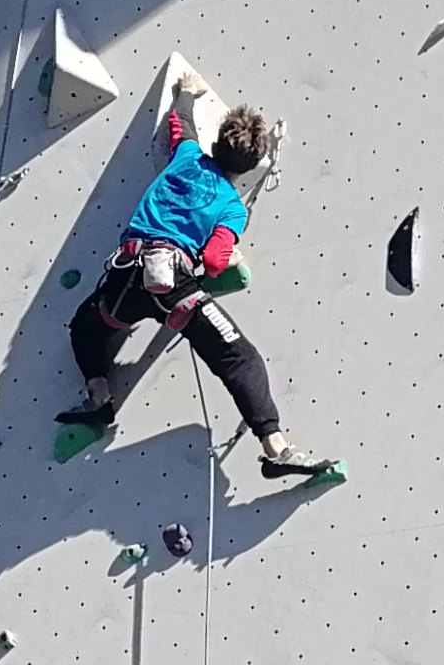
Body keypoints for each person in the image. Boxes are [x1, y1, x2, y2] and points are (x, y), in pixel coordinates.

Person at [59, 75, 320, 477]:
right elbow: (214, 262)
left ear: (216, 144)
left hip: (124, 280)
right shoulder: (232, 207)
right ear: (250, 168)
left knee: (85, 327)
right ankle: (276, 449)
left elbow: (180, 121)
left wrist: (187, 90)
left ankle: (99, 399)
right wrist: (230, 257)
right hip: (172, 288)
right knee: (239, 357)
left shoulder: (186, 156)